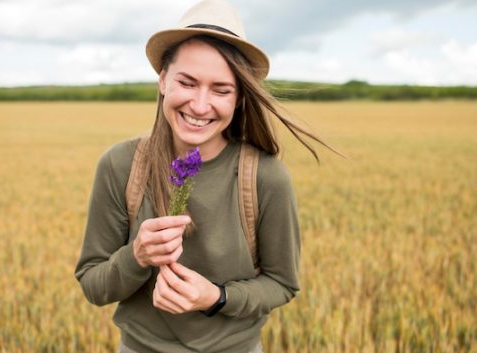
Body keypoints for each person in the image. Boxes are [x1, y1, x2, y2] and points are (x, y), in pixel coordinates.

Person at [75, 1, 331, 352]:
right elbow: (93, 285)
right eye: (187, 82)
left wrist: (216, 297)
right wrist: (137, 255)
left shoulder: (266, 178)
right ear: (164, 79)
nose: (199, 104)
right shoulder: (120, 165)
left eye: (221, 90)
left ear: (240, 98)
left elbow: (282, 284)